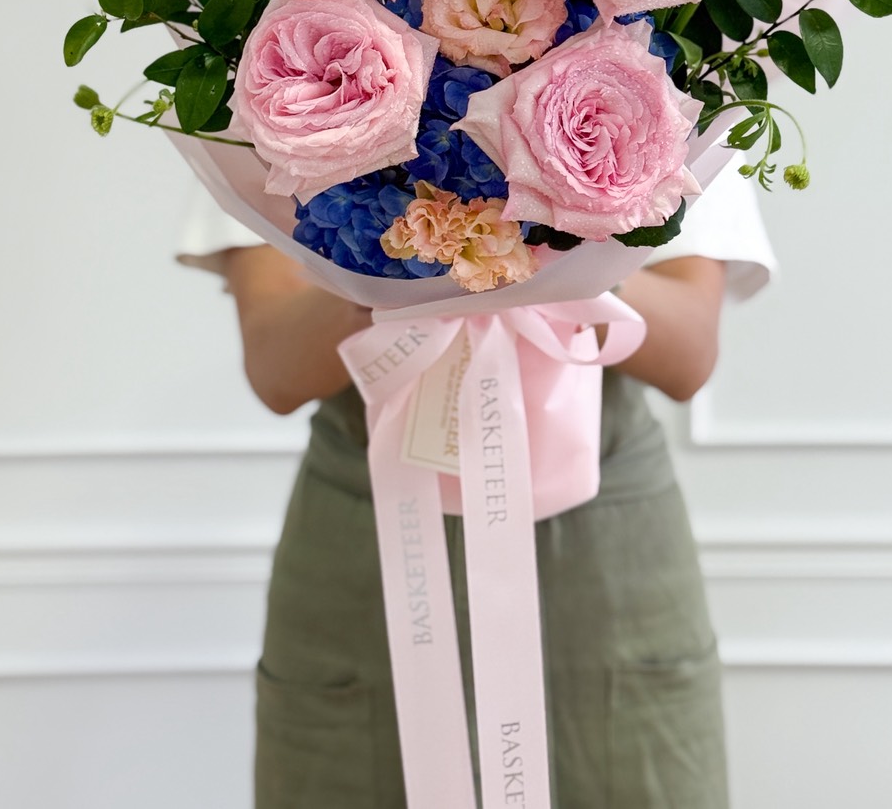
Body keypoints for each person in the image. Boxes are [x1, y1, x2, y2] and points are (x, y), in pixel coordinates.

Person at [179, 159, 775, 809]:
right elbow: (277, 366)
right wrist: (420, 246)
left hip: (606, 548)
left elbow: (688, 354)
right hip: (366, 539)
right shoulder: (277, 98)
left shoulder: (666, 82)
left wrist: (542, 247)